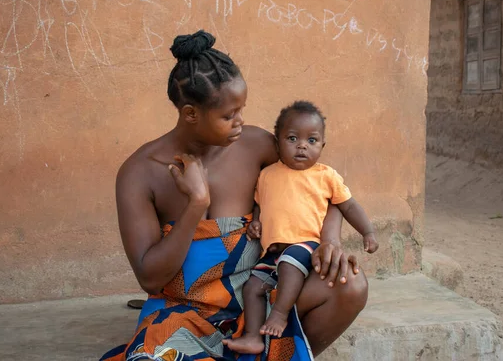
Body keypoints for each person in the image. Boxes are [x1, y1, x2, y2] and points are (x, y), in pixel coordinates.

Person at [100, 30, 368, 361]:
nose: (240, 122)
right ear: (190, 114)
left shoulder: (257, 146)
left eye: (242, 109)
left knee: (350, 284)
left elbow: (326, 189)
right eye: (228, 115)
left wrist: (331, 240)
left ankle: (274, 352)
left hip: (261, 299)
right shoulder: (140, 173)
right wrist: (196, 204)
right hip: (184, 311)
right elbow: (150, 278)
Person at [223, 101, 379, 354]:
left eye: (312, 140)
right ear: (277, 142)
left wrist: (368, 232)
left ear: (322, 146)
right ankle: (253, 336)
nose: (302, 146)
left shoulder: (326, 175)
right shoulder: (267, 175)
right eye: (292, 138)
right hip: (273, 252)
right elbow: (260, 204)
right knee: (253, 287)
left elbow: (348, 206)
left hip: (306, 245)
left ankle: (280, 315)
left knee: (289, 264)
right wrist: (256, 222)